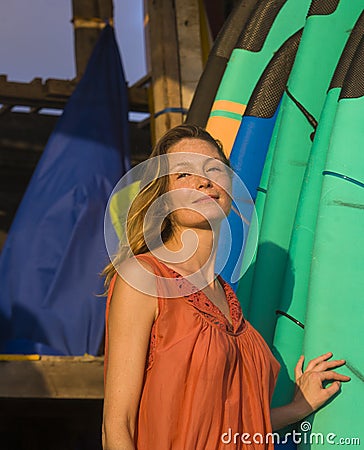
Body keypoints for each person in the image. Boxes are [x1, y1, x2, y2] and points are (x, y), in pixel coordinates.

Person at [102, 124, 350, 450]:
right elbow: (117, 426)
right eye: (183, 174)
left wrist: (298, 407)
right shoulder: (145, 278)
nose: (203, 180)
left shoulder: (228, 301)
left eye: (214, 169)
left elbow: (226, 426)